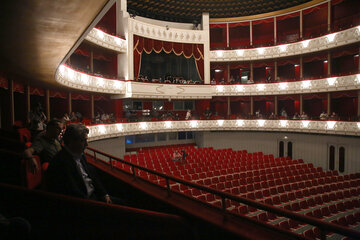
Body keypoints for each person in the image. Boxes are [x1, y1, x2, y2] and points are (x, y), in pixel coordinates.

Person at [46, 124, 112, 203]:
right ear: (71, 141)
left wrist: (104, 195)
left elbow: (93, 177)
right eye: (83, 140)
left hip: (94, 196)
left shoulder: (80, 154)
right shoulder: (60, 163)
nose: (87, 144)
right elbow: (73, 193)